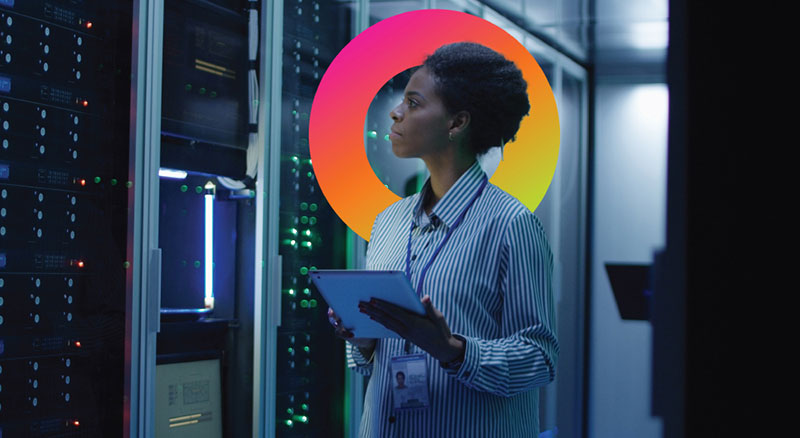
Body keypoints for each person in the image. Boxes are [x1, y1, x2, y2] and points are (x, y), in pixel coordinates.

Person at [328, 41, 558, 437]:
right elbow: (370, 360)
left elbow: (540, 358)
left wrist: (452, 350)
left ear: (457, 123)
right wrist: (362, 338)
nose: (396, 112)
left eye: (413, 103)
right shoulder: (388, 221)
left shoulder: (511, 225)